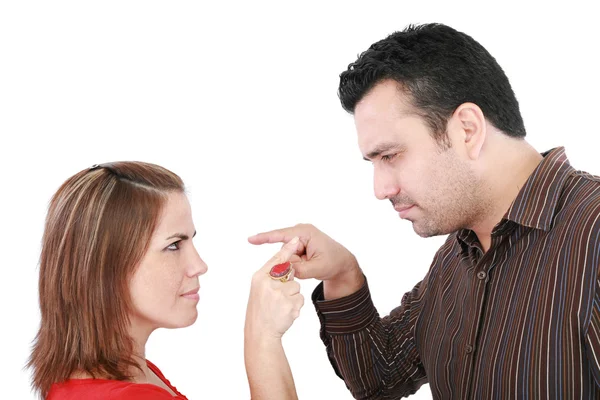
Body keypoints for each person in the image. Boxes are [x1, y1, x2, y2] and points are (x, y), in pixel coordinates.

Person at [248, 23, 600, 399]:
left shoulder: (591, 234)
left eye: (390, 155)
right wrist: (343, 275)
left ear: (466, 129)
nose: (381, 189)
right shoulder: (457, 256)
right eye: (374, 162)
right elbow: (380, 377)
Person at [28, 162, 303, 399]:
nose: (199, 266)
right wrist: (262, 336)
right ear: (107, 265)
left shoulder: (134, 373)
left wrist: (343, 276)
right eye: (174, 246)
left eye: (191, 240)